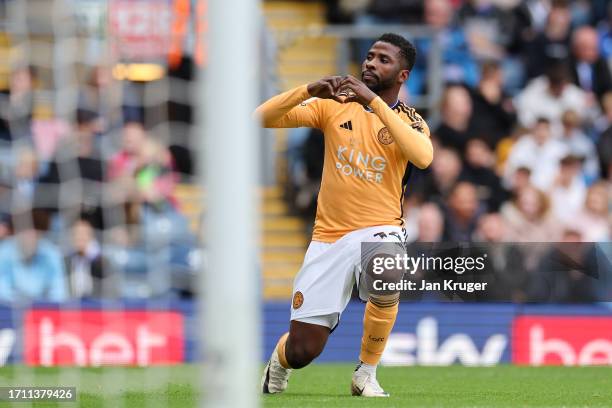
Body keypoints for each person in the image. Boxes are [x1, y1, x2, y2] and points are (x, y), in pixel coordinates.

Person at [255, 33, 433, 397]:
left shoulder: (411, 121)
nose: (370, 63)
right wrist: (308, 90)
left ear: (403, 74)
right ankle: (279, 362)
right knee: (304, 350)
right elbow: (263, 117)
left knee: (387, 268)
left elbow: (423, 156)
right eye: (369, 56)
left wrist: (373, 102)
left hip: (381, 230)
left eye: (383, 59)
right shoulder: (334, 106)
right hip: (329, 238)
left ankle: (366, 373)